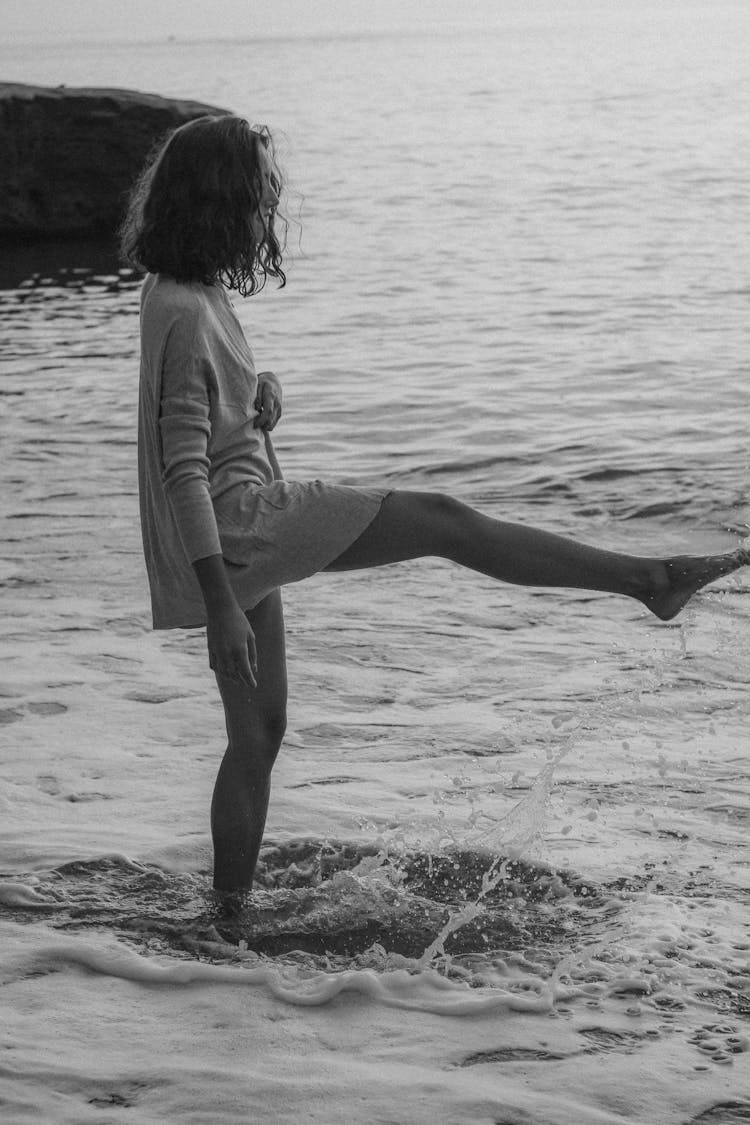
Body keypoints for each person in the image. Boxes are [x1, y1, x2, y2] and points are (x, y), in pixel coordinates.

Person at [121, 114, 748, 894]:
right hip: (241, 527)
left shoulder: (185, 291)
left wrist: (257, 396)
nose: (265, 215)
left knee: (258, 734)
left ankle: (228, 916)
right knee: (444, 520)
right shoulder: (183, 309)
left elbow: (198, 417)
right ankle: (650, 581)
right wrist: (219, 602)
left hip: (235, 527)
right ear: (220, 202)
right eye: (256, 199)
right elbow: (182, 468)